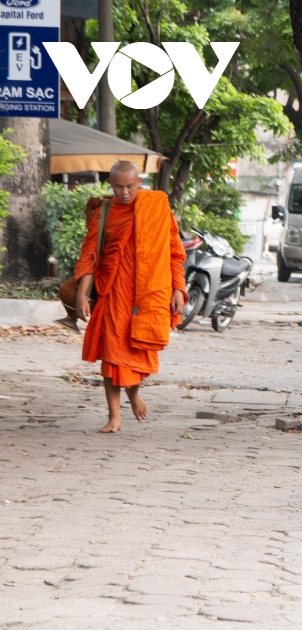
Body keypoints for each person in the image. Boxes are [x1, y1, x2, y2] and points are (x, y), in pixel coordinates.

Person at [74, 161, 187, 433]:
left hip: (149, 292)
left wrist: (177, 289)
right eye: (118, 187)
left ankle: (134, 393)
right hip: (114, 292)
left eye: (130, 186)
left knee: (136, 348)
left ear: (139, 183)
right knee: (111, 354)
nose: (124, 192)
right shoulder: (104, 212)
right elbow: (90, 255)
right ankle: (114, 415)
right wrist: (82, 294)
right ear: (110, 185)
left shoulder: (157, 208)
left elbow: (174, 252)